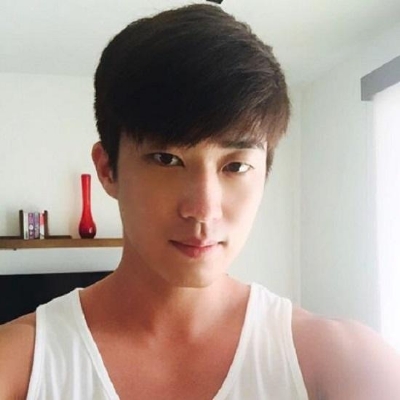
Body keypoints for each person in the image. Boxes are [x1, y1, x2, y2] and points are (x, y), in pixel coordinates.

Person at [1, 4, 400, 400]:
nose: (204, 208)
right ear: (108, 170)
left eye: (236, 166)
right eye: (166, 159)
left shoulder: (340, 364)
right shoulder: (21, 365)